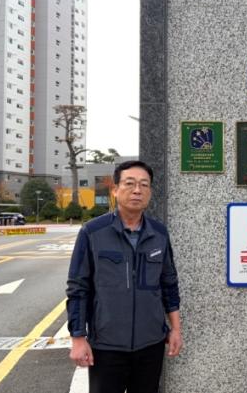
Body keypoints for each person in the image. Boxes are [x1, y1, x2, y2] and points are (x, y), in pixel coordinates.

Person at [66, 160, 182, 393]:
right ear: (115, 190)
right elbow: (78, 288)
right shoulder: (93, 232)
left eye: (144, 185)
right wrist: (78, 338)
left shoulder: (159, 234)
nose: (137, 190)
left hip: (151, 343)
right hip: (106, 345)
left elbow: (169, 283)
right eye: (129, 183)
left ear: (150, 192)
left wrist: (176, 329)